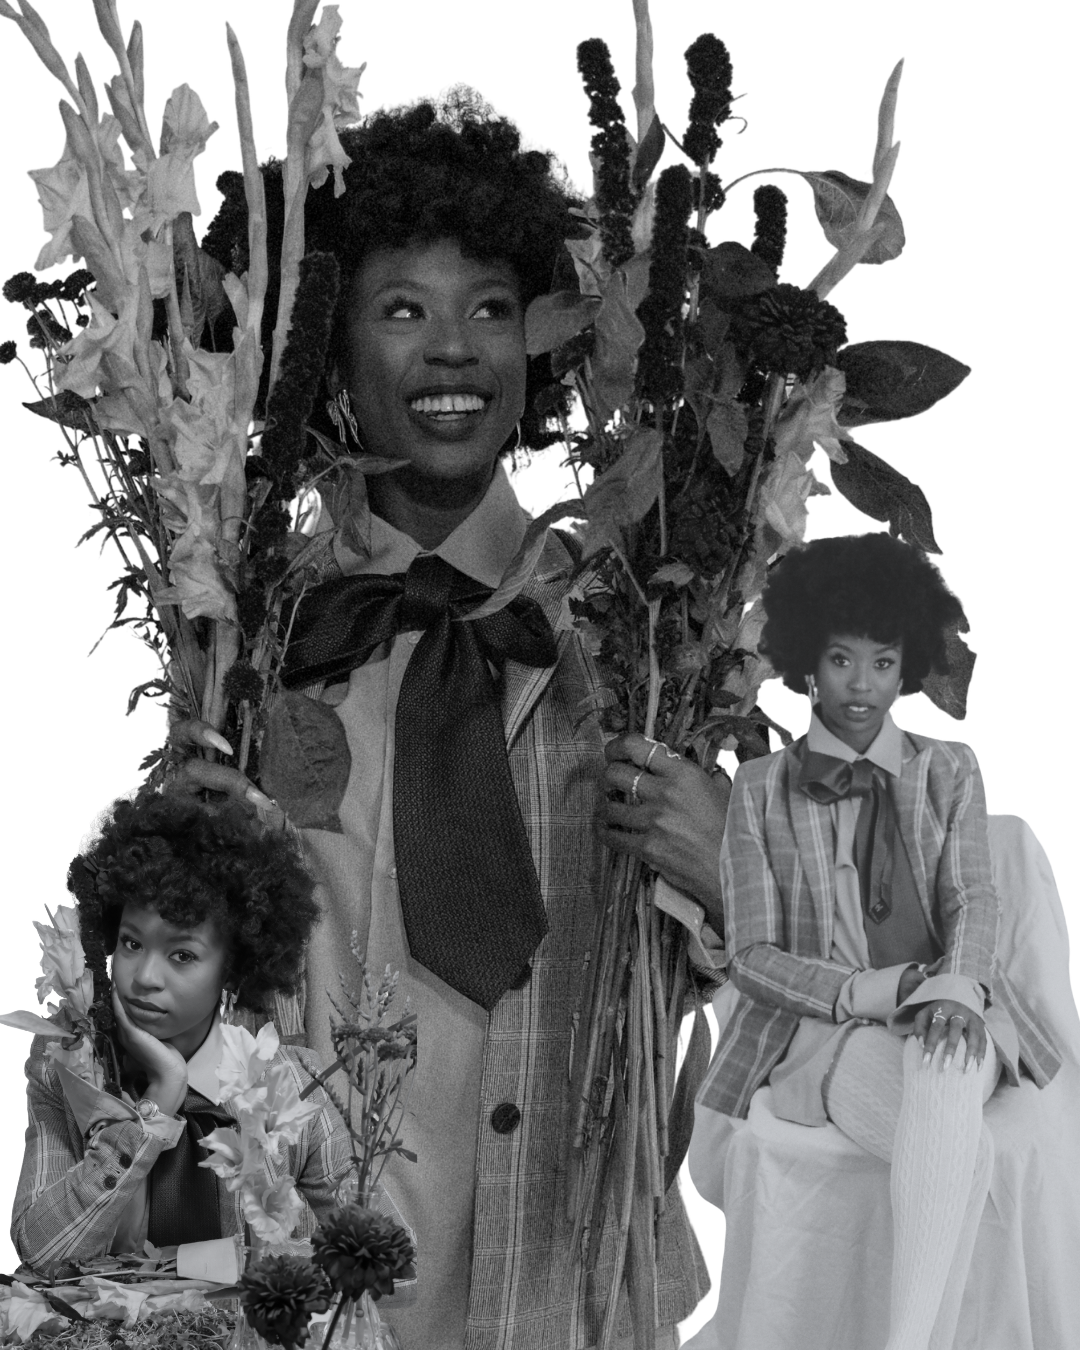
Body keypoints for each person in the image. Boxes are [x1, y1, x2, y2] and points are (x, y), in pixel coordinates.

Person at [174, 95, 725, 1350]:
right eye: (401, 310)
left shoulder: (638, 630)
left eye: (488, 308)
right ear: (327, 350)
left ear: (540, 345)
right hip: (300, 1284)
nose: (452, 352)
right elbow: (174, 1007)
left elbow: (754, 984)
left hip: (563, 1284)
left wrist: (733, 868)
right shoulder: (244, 632)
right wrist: (191, 1282)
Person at [698, 533, 1061, 1350]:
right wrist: (876, 991)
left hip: (950, 1006)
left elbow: (974, 897)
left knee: (948, 1071)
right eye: (840, 660)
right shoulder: (759, 789)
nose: (862, 685)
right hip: (826, 1030)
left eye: (884, 662)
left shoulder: (950, 770)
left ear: (907, 669)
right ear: (807, 664)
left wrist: (954, 991)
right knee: (959, 1153)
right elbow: (750, 957)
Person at [12, 791, 350, 1271]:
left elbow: (387, 1260)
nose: (145, 977)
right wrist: (155, 1107)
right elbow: (42, 1254)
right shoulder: (64, 1067)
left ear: (232, 970)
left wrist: (216, 1265)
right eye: (132, 943)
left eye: (182, 955)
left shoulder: (292, 1088)